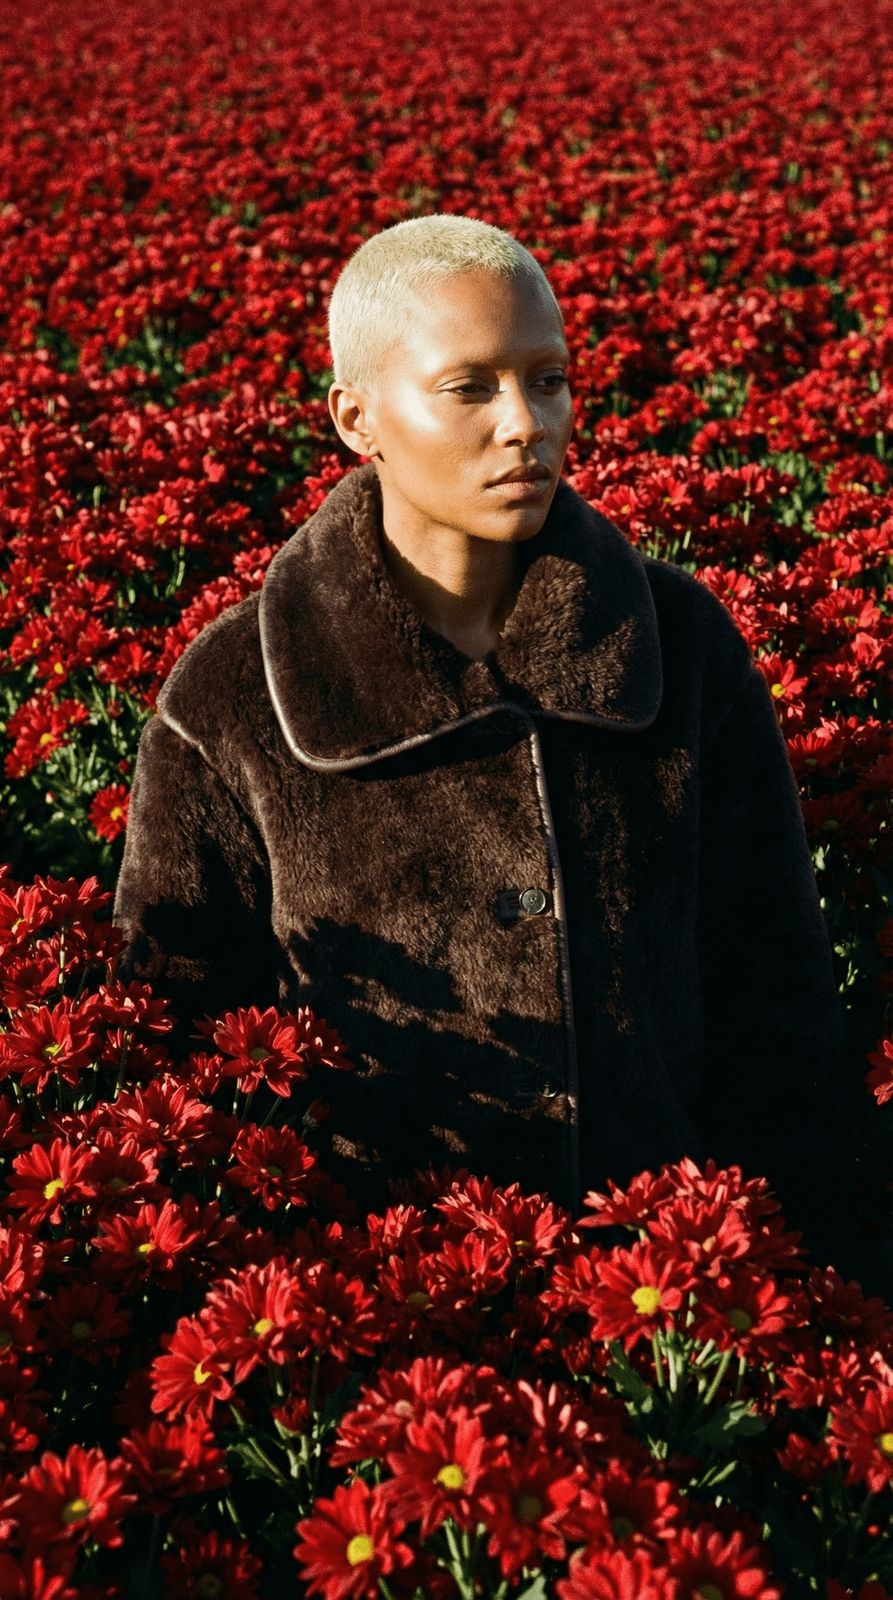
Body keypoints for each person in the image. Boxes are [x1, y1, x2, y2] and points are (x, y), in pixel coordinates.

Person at [112, 213, 880, 1284]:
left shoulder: (679, 644)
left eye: (549, 379)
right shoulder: (237, 693)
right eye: (468, 388)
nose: (525, 422)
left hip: (667, 1296)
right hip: (376, 1315)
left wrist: (802, 1269)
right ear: (355, 417)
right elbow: (183, 1045)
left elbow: (774, 994)